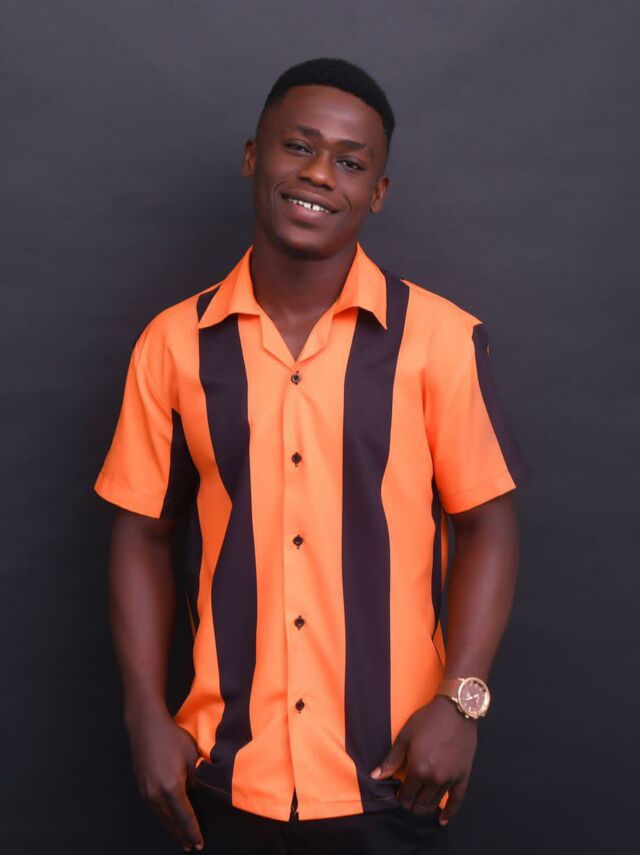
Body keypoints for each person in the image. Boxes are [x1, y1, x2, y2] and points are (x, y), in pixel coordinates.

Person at [94, 57, 533, 855]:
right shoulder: (173, 344)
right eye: (298, 146)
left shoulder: (439, 341)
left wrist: (460, 702)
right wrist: (143, 715)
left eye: (350, 162)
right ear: (253, 155)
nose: (320, 174)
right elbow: (142, 532)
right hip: (221, 773)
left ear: (378, 191)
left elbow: (488, 524)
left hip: (394, 771)